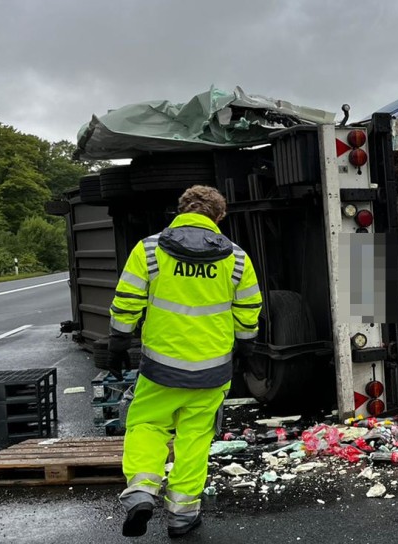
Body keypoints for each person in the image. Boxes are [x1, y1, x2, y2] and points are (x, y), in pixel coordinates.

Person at [107, 184, 262, 538]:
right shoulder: (237, 258)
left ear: (180, 210)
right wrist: (248, 348)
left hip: (160, 368)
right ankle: (181, 514)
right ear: (219, 216)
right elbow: (249, 309)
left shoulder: (149, 249)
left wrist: (118, 340)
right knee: (195, 437)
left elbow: (128, 297)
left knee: (146, 425)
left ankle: (143, 491)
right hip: (212, 369)